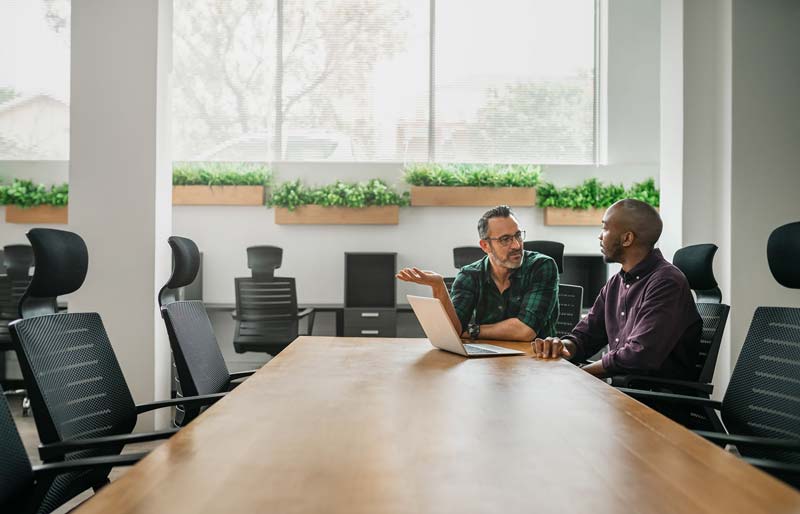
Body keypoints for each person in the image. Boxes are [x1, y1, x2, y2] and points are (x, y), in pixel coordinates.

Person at [532, 199, 702, 380]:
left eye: (605, 228)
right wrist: (562, 346)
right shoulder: (615, 283)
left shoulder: (666, 283)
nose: (600, 236)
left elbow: (638, 356)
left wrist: (579, 375)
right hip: (621, 388)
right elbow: (586, 336)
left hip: (652, 394)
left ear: (627, 239)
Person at [397, 205, 559, 342]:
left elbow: (525, 331)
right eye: (505, 239)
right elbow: (453, 331)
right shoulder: (469, 275)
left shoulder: (542, 266)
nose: (516, 245)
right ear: (485, 246)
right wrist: (439, 286)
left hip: (536, 360)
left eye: (518, 235)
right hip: (486, 360)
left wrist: (473, 331)